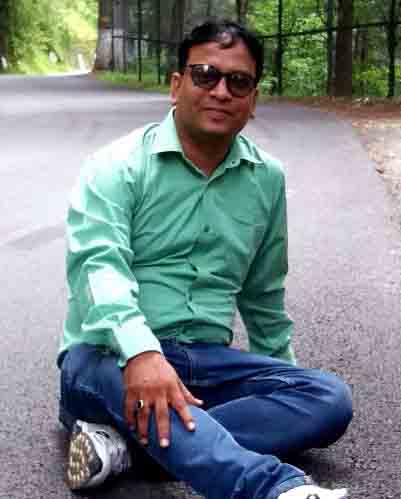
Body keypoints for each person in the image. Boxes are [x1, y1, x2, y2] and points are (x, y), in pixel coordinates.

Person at [58, 19, 352, 499]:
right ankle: (275, 489)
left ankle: (124, 449)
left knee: (328, 399)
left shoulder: (266, 178)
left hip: (205, 364)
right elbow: (98, 268)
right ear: (177, 85)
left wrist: (282, 380)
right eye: (205, 75)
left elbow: (263, 293)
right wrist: (142, 352)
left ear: (253, 99)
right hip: (106, 358)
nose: (220, 91)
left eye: (238, 82)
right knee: (116, 371)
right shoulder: (116, 165)